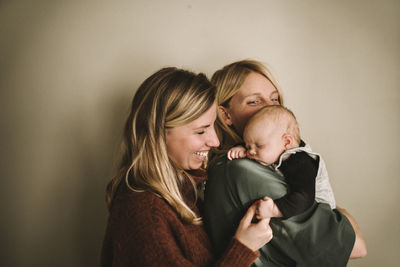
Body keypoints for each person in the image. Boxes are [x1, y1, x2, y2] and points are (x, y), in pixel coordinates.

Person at [100, 67, 274, 267]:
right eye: (201, 131)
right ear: (159, 134)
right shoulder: (144, 212)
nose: (215, 141)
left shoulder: (186, 191)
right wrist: (243, 249)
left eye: (213, 126)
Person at [204, 60, 367, 267]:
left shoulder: (233, 166)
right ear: (225, 114)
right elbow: (357, 246)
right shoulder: (243, 170)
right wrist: (338, 214)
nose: (270, 108)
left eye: (274, 99)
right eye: (254, 101)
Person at [227, 105, 336, 219]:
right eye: (248, 146)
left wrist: (275, 209)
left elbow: (303, 197)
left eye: (259, 146)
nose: (251, 152)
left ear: (287, 142)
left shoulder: (301, 162)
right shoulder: (275, 150)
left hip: (321, 215)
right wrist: (240, 148)